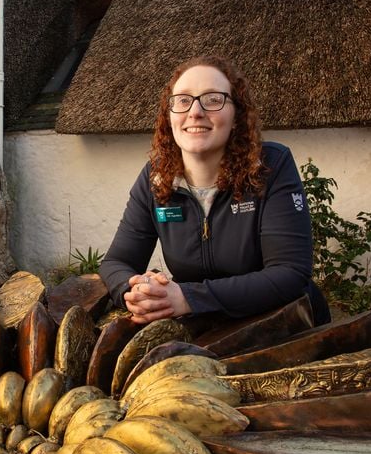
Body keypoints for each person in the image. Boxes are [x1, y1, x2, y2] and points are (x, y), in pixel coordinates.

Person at [98, 55, 330, 326]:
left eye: (213, 99)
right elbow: (115, 262)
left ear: (237, 117)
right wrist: (137, 292)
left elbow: (290, 273)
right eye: (183, 100)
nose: (195, 112)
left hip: (286, 329)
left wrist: (187, 298)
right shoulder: (155, 178)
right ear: (169, 117)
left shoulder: (271, 166)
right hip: (208, 332)